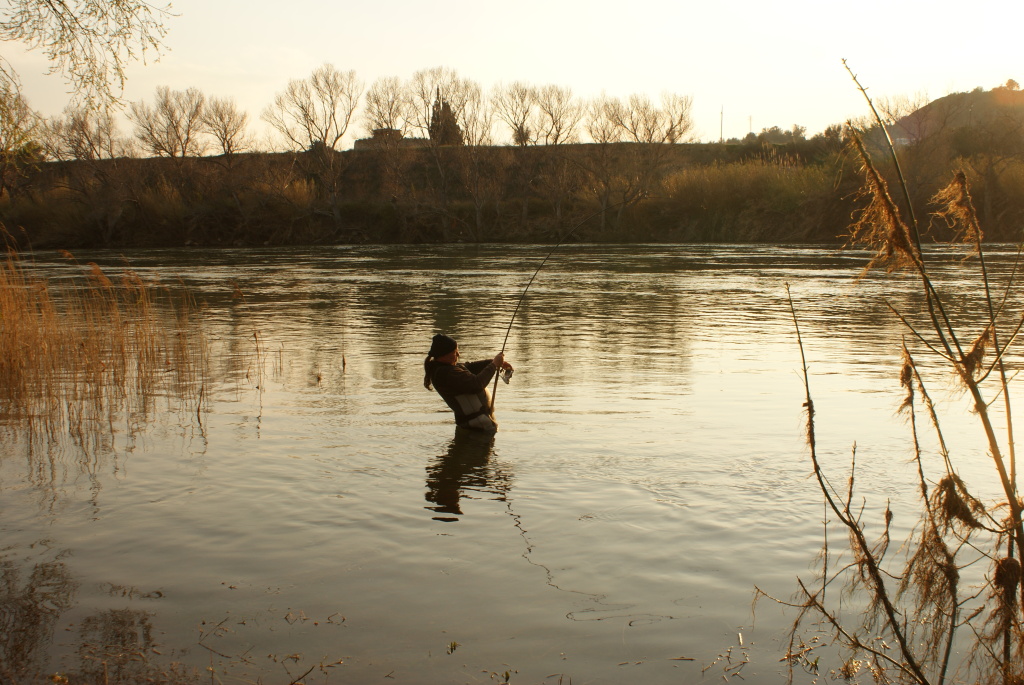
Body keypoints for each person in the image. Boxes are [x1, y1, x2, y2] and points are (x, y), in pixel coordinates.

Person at [423, 334, 513, 432]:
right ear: (443, 355)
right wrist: (494, 364)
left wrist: (494, 363)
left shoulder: (448, 368)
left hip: (476, 427)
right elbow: (476, 384)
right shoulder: (446, 373)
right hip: (476, 430)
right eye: (454, 351)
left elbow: (470, 367)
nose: (458, 354)